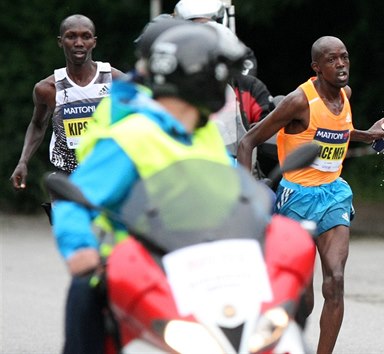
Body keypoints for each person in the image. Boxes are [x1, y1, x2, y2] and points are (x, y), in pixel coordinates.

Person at [51, 22, 247, 353]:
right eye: (219, 74)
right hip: (136, 275)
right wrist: (80, 249)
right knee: (85, 294)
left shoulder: (206, 133)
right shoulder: (132, 132)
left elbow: (235, 191)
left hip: (202, 272)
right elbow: (79, 197)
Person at [237, 35, 384, 354]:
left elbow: (339, 131)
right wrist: (244, 196)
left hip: (333, 195)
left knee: (335, 281)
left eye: (344, 58)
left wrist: (370, 135)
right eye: (332, 60)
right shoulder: (298, 101)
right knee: (304, 301)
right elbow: (247, 142)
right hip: (296, 198)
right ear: (317, 67)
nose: (340, 65)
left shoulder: (346, 95)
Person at [10, 14, 124, 203]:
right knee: (70, 231)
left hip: (106, 171)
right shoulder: (47, 88)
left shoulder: (115, 80)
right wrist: (23, 161)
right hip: (66, 175)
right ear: (60, 41)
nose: (79, 42)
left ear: (94, 42)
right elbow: (38, 125)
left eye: (85, 36)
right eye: (71, 36)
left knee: (104, 231)